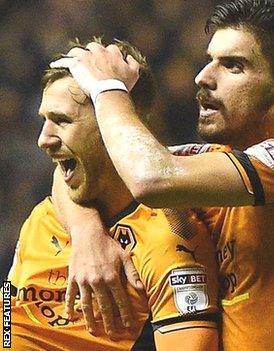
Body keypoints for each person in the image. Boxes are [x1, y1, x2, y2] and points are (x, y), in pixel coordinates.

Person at [51, 1, 274, 350]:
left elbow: (150, 178)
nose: (203, 76)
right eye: (210, 60)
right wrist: (87, 237)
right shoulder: (217, 166)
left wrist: (108, 89)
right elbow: (81, 167)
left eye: (233, 65)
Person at [6, 39, 220, 350]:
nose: (43, 139)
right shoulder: (46, 215)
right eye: (44, 120)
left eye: (62, 121)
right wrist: (86, 233)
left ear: (112, 123)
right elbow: (7, 315)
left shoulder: (172, 242)